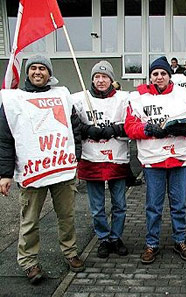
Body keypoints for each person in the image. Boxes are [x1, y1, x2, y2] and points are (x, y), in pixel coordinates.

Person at [0, 55, 85, 284]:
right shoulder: (14, 101)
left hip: (62, 169)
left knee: (66, 216)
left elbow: (74, 129)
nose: (38, 72)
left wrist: (74, 157)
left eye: (42, 68)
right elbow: (5, 139)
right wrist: (5, 174)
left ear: (50, 73)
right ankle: (29, 262)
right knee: (30, 220)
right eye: (34, 68)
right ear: (28, 72)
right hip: (32, 172)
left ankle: (70, 252)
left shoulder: (62, 97)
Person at [124, 56, 186, 264]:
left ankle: (180, 240)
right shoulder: (138, 97)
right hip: (153, 160)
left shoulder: (183, 95)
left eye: (163, 74)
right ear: (150, 77)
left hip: (178, 159)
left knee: (179, 205)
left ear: (169, 76)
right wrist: (147, 129)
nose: (159, 77)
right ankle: (151, 244)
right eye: (155, 74)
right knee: (153, 206)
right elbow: (130, 127)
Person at [72, 61, 130, 258]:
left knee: (119, 204)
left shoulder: (123, 99)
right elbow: (71, 121)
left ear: (111, 80)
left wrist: (114, 129)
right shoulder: (80, 99)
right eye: (97, 76)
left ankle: (116, 237)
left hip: (117, 158)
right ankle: (103, 238)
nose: (101, 80)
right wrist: (86, 129)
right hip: (91, 159)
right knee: (97, 207)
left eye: (105, 76)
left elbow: (132, 123)